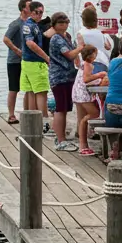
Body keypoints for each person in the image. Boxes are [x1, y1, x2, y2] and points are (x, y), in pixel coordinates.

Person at [48, 12, 81, 150]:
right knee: (60, 109)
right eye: (60, 23)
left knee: (66, 108)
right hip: (59, 77)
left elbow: (74, 55)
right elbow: (69, 55)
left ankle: (61, 137)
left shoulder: (66, 36)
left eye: (66, 22)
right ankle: (60, 140)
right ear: (54, 25)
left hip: (69, 76)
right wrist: (81, 46)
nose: (64, 25)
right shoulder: (56, 38)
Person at [20, 2, 51, 128]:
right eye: (37, 12)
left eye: (41, 12)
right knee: (41, 92)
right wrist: (46, 57)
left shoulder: (35, 25)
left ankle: (31, 122)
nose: (39, 15)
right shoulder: (29, 25)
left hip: (27, 62)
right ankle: (44, 122)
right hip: (34, 62)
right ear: (31, 12)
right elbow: (30, 43)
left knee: (31, 91)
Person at [73, 44, 107, 155]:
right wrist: (99, 75)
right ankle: (84, 137)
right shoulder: (88, 65)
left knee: (87, 115)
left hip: (79, 92)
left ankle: (83, 145)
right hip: (83, 94)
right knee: (94, 114)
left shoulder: (85, 64)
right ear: (92, 54)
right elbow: (86, 79)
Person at [2, 0, 31, 124]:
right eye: (30, 6)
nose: (33, 8)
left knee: (29, 87)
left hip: (28, 60)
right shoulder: (16, 24)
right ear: (23, 9)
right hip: (14, 61)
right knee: (14, 88)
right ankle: (11, 114)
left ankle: (27, 112)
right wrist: (17, 50)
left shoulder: (31, 23)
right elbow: (6, 39)